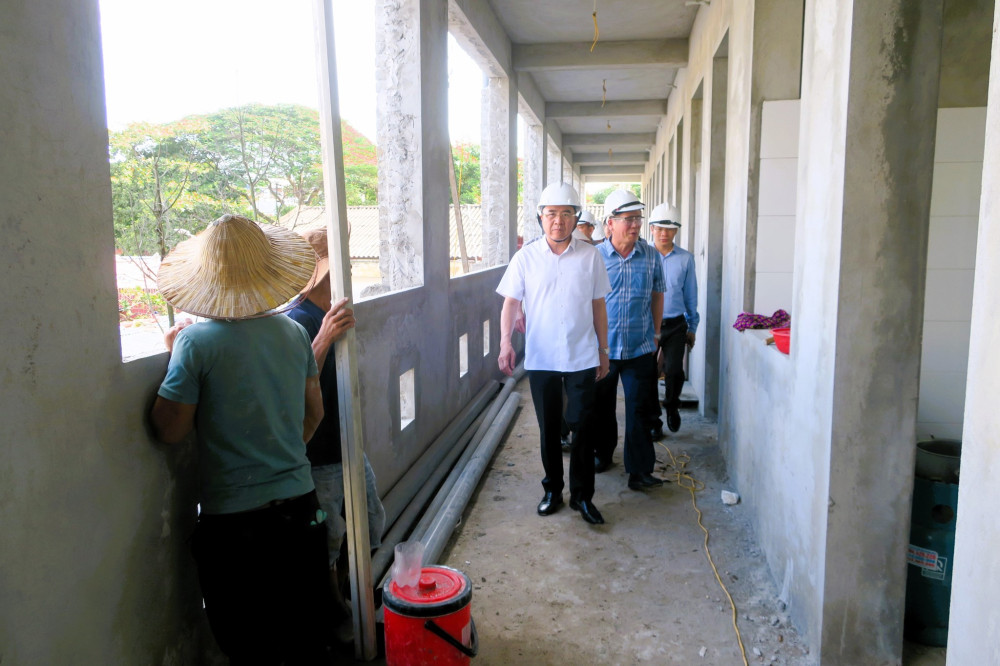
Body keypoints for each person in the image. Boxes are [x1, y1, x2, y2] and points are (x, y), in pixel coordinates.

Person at [150, 214, 337, 664]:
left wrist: (174, 358)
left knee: (250, 646)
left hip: (235, 527)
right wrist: (282, 454)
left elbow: (169, 429)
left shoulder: (196, 344)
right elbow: (314, 413)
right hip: (300, 509)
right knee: (306, 640)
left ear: (207, 280)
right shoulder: (294, 332)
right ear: (266, 273)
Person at [285, 229, 387, 639]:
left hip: (346, 443)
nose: (346, 273)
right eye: (335, 267)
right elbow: (293, 382)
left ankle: (350, 592)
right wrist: (324, 337)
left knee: (371, 520)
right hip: (319, 451)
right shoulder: (298, 319)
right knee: (329, 536)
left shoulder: (330, 310)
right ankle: (334, 616)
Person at [497, 182, 611, 525]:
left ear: (576, 218)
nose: (558, 221)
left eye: (565, 214)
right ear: (540, 217)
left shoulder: (590, 257)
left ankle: (582, 497)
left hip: (582, 354)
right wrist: (505, 343)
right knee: (548, 427)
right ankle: (553, 491)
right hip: (542, 357)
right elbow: (510, 303)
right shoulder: (526, 258)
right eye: (551, 214)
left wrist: (603, 350)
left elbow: (599, 306)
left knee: (583, 425)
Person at [593, 190, 668, 491]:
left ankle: (639, 471)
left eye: (638, 218)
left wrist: (657, 334)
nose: (635, 225)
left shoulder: (650, 256)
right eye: (628, 219)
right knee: (602, 408)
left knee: (639, 410)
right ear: (610, 223)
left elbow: (658, 294)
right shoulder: (595, 257)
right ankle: (603, 454)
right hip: (604, 348)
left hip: (640, 347)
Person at [649, 203, 699, 433]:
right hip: (648, 325)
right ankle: (654, 421)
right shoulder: (644, 256)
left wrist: (692, 326)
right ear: (651, 229)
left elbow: (690, 295)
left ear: (676, 230)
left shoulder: (686, 259)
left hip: (676, 324)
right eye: (659, 228)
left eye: (669, 229)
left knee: (675, 371)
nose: (664, 233)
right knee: (648, 373)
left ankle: (671, 406)